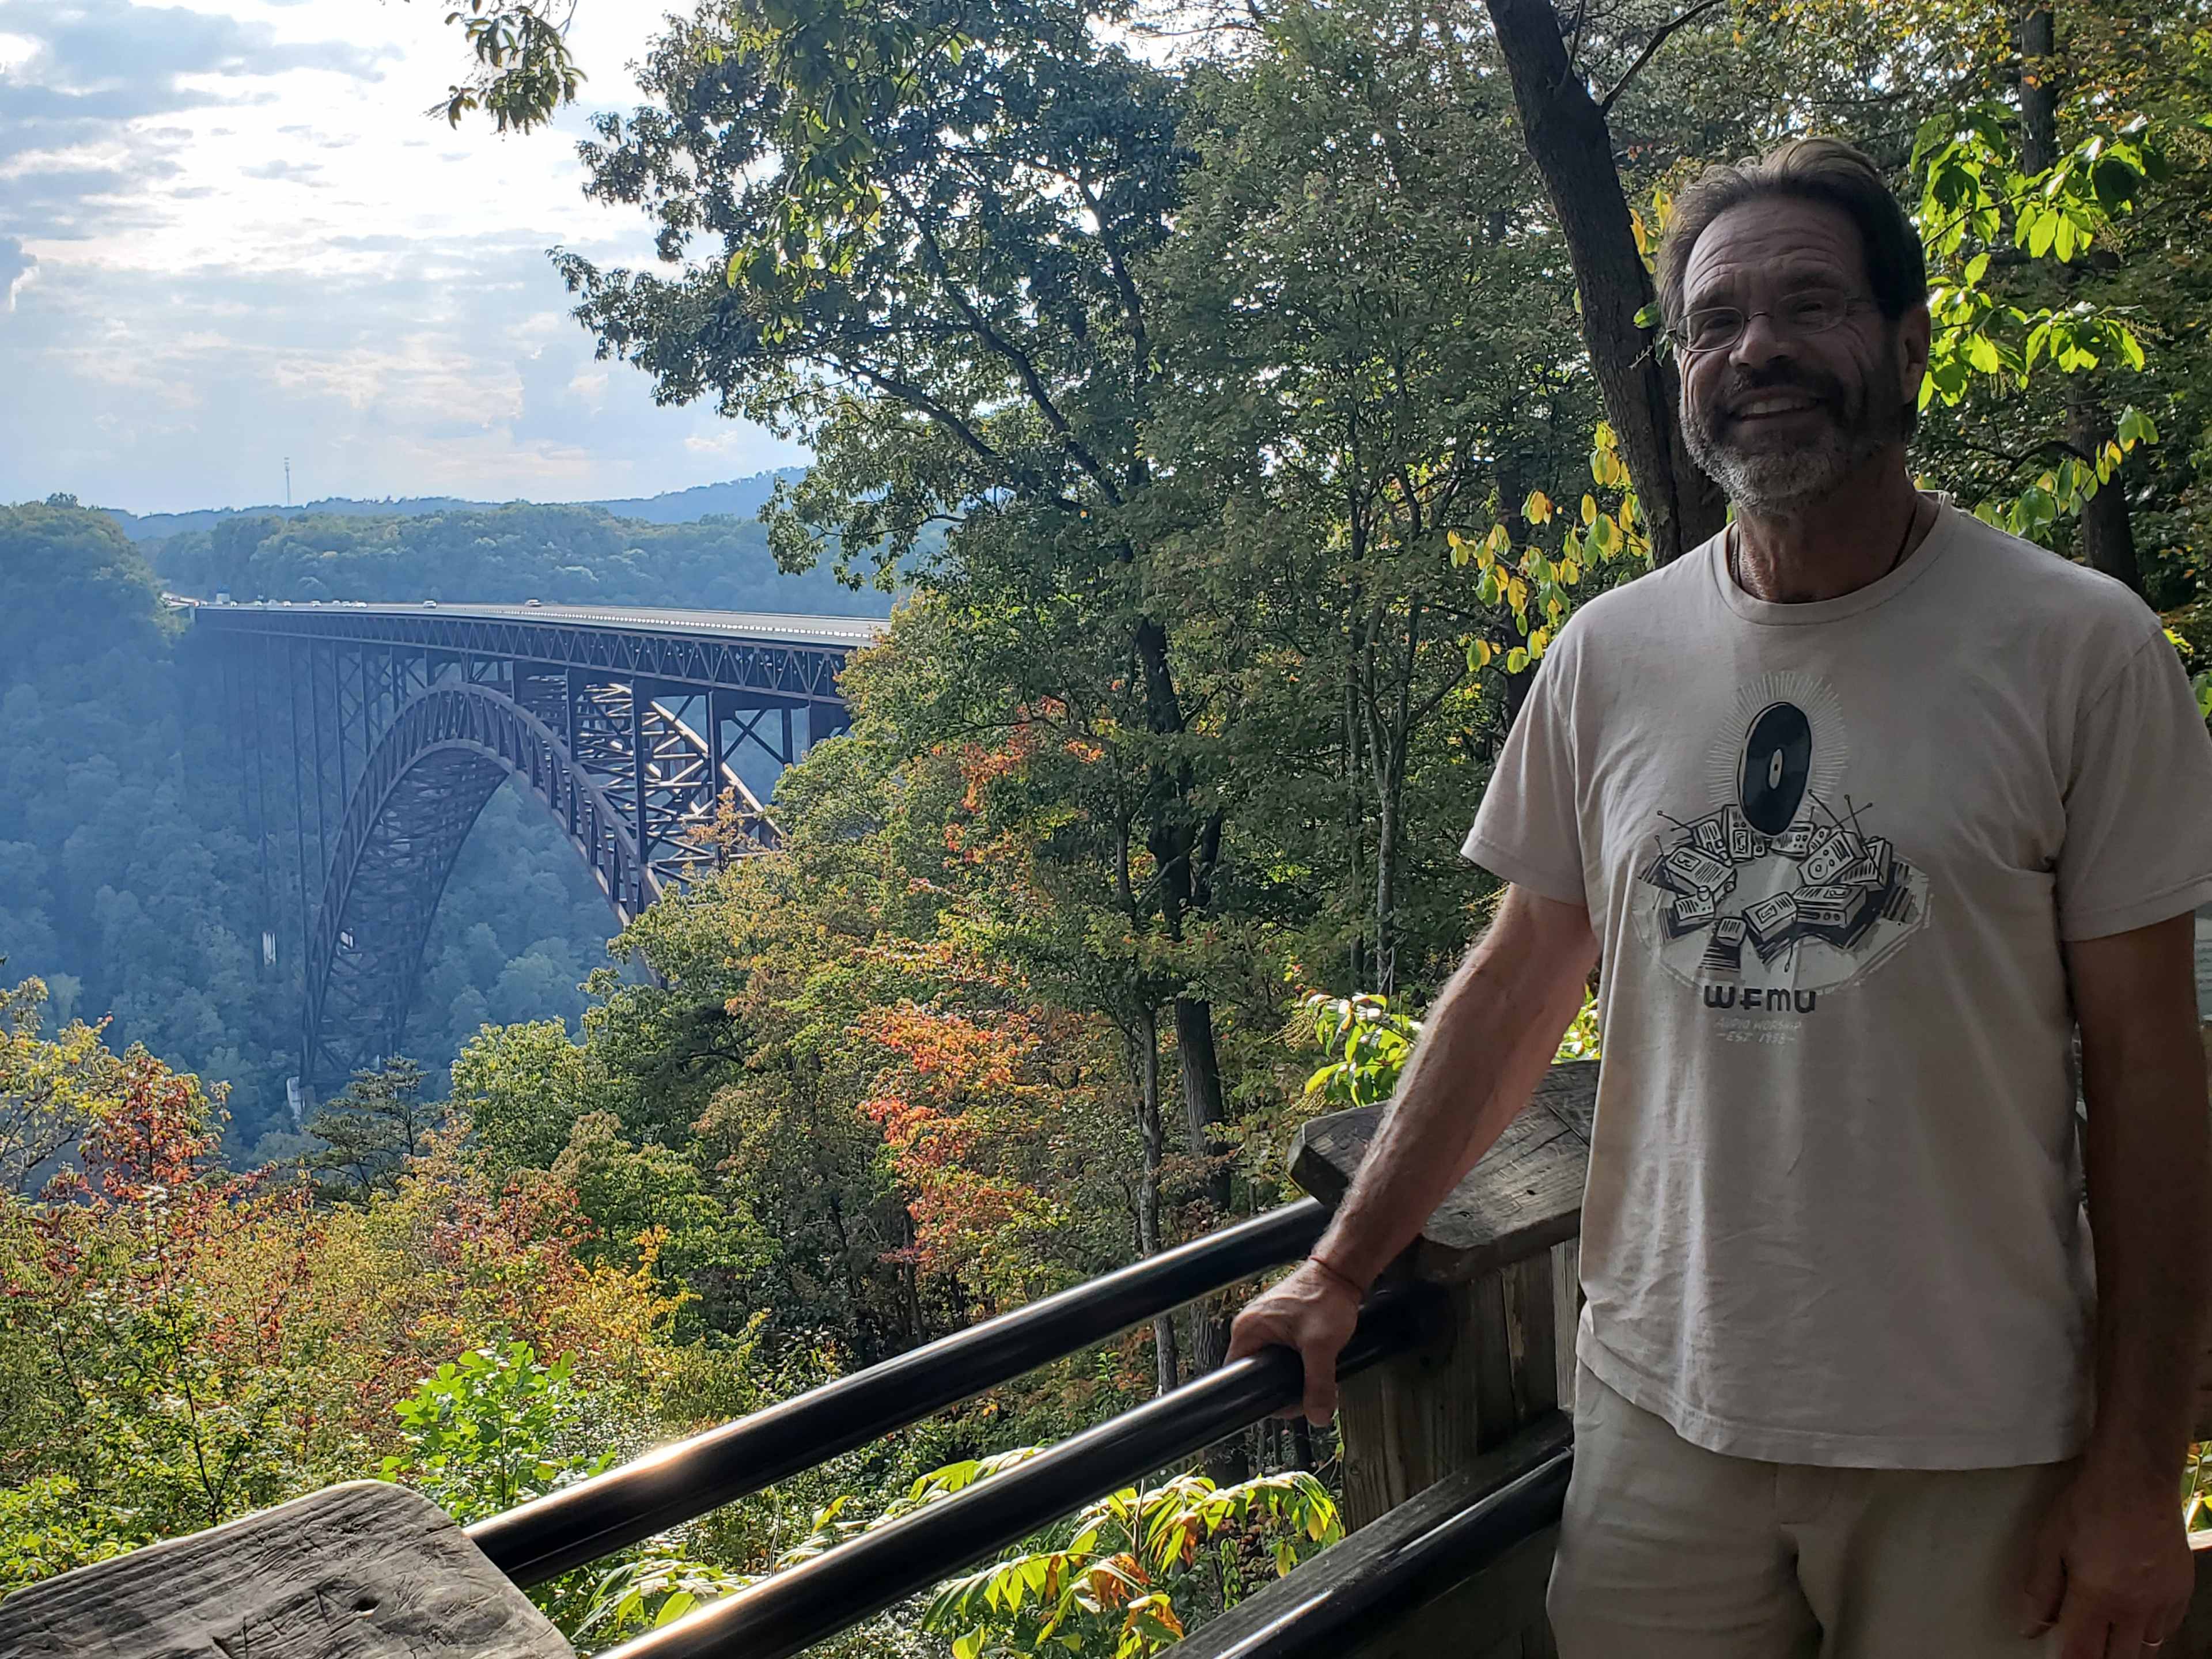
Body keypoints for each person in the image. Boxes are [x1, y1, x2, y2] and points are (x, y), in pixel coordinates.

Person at [1227, 137, 2212, 1658]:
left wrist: (2140, 1478)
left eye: (1809, 305)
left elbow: (2153, 1077)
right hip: (1658, 1420)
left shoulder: (2079, 648)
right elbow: (1518, 981)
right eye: (1715, 322)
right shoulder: (1609, 655)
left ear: (1908, 343)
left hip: (1980, 1434)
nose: (1757, 350)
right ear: (1683, 370)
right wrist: (1340, 1269)